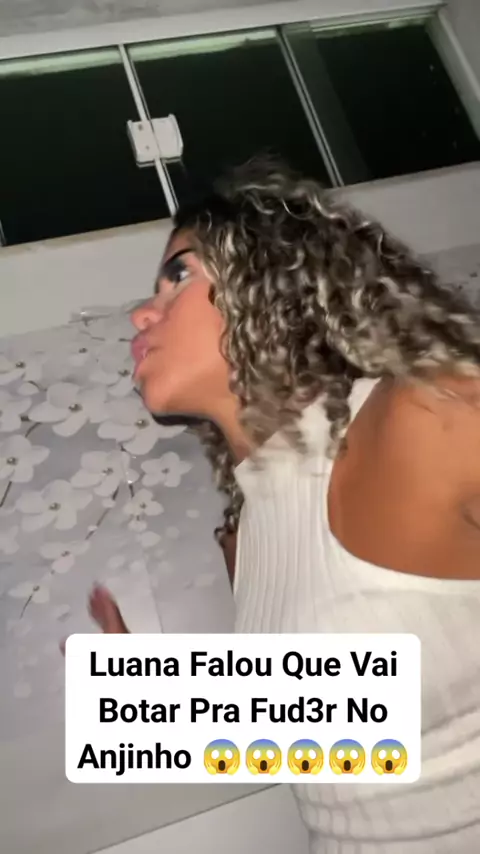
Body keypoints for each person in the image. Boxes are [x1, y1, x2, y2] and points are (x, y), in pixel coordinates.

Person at [89, 159, 480, 850]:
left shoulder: (425, 412)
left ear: (276, 283)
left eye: (180, 274)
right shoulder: (244, 533)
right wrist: (152, 700)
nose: (142, 312)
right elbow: (343, 740)